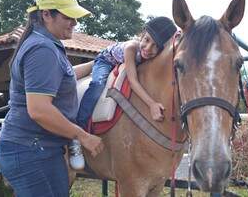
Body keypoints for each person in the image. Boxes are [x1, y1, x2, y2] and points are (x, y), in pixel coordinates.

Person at [0, 0, 104, 196]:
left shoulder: (44, 44)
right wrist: (83, 136)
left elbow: (64, 76)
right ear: (46, 14)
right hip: (31, 151)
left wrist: (96, 64)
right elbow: (39, 110)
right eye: (69, 16)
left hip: (40, 149)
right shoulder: (42, 49)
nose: (75, 22)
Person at [70, 16, 177, 167]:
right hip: (106, 60)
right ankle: (78, 132)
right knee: (97, 85)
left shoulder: (151, 56)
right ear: (141, 35)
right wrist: (152, 104)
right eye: (146, 40)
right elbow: (133, 80)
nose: (148, 48)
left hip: (124, 62)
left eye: (155, 46)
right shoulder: (132, 48)